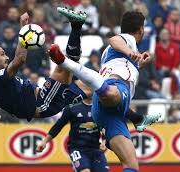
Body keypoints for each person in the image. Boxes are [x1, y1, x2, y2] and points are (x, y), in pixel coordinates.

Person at [49, 9, 161, 171]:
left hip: (108, 113)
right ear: (141, 29)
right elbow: (114, 39)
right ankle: (64, 61)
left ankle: (138, 120)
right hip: (114, 91)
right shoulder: (128, 40)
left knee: (131, 164)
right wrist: (131, 52)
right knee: (110, 92)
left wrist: (139, 65)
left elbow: (125, 66)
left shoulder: (115, 55)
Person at [0, 13, 79, 122]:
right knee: (65, 65)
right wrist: (24, 30)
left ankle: (76, 26)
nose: (7, 57)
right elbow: (20, 59)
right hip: (43, 104)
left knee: (81, 82)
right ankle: (76, 26)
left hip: (43, 95)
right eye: (2, 54)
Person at [36, 83, 108, 172]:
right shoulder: (72, 108)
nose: (89, 90)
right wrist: (44, 141)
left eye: (91, 87)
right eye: (87, 87)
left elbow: (106, 127)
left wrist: (105, 141)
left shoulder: (100, 108)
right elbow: (58, 126)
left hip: (96, 149)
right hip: (77, 149)